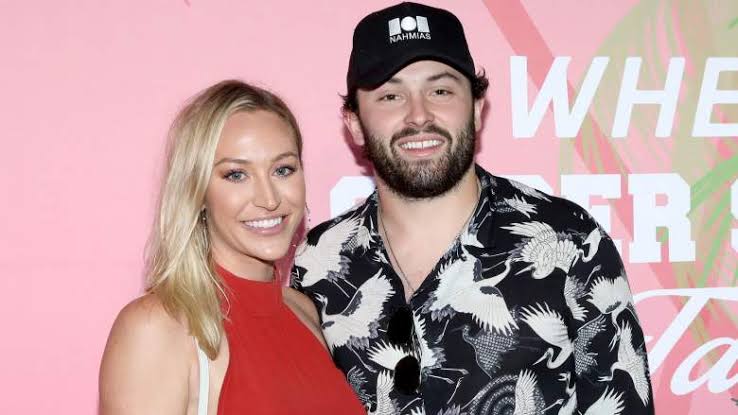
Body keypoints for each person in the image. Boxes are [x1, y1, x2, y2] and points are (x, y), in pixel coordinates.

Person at [291, 2, 655, 414]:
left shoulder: (567, 241)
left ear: (477, 108)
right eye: (391, 96)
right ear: (354, 123)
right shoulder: (320, 261)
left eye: (440, 90)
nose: (419, 115)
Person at [99, 80, 365, 415]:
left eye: (283, 170)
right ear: (197, 192)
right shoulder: (156, 327)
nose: (269, 199)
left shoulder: (303, 311)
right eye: (237, 175)